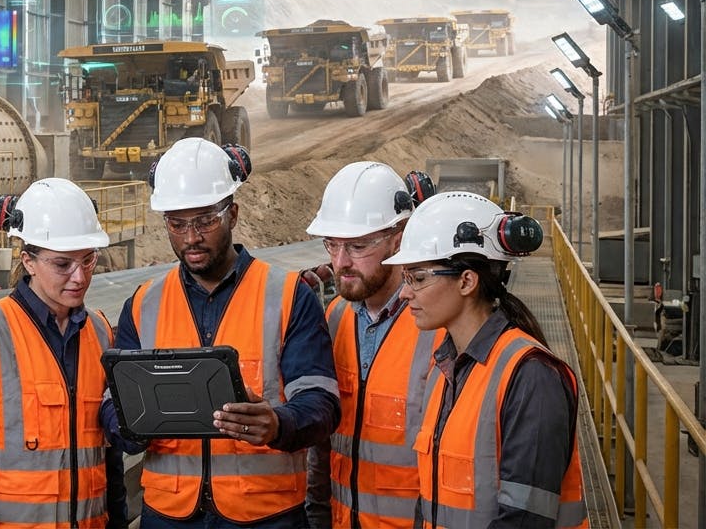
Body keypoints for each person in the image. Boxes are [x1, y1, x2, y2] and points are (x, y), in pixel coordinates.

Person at [109, 138, 340, 529]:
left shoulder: (287, 297)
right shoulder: (144, 304)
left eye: (205, 221)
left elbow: (322, 403)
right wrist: (129, 430)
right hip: (168, 515)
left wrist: (278, 423)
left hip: (265, 516)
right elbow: (112, 404)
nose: (191, 237)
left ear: (232, 214)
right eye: (177, 224)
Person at [383, 192, 587, 528]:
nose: (405, 293)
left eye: (417, 278)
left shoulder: (532, 376)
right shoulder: (447, 366)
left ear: (466, 281)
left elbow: (524, 520)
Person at [0, 177, 127, 528]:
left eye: (88, 261)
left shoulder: (100, 333)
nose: (79, 277)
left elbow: (109, 459)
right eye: (62, 264)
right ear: (28, 260)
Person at [302, 162, 439, 529]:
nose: (340, 262)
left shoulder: (437, 324)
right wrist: (317, 515)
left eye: (358, 246)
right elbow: (323, 443)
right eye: (332, 244)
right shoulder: (334, 319)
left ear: (399, 236)